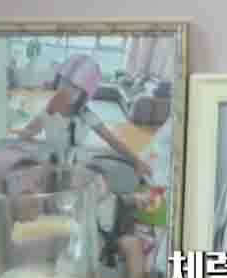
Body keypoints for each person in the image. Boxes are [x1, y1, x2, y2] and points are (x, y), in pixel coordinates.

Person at [19, 54, 153, 182]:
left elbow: (112, 140)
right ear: (58, 80)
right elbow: (26, 134)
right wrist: (45, 116)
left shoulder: (86, 115)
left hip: (76, 166)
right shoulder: (48, 110)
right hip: (51, 165)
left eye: (75, 88)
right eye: (65, 82)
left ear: (83, 95)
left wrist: (137, 161)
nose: (67, 90)